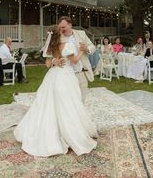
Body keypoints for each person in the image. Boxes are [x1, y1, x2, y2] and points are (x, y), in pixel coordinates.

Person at [14, 25, 97, 157]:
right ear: (59, 34)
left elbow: (47, 63)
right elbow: (75, 61)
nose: (63, 32)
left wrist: (53, 61)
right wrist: (81, 50)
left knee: (49, 104)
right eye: (62, 31)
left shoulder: (51, 47)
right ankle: (68, 134)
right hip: (65, 76)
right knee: (67, 105)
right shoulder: (66, 45)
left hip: (53, 76)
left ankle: (50, 131)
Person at [48, 16, 96, 102]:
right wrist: (54, 61)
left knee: (82, 97)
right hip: (66, 74)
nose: (61, 30)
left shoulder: (81, 34)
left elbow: (92, 46)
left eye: (63, 27)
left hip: (81, 71)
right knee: (68, 100)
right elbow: (49, 58)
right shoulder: (58, 39)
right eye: (59, 28)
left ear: (70, 25)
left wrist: (86, 49)